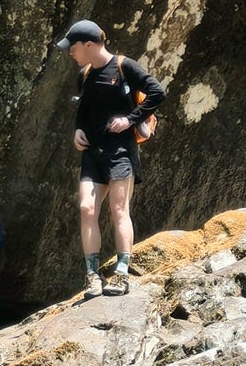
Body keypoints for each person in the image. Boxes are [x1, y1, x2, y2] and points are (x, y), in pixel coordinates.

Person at [56, 19, 166, 297]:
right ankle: (92, 275)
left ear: (90, 45)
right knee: (86, 209)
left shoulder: (124, 66)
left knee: (119, 210)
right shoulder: (84, 74)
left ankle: (121, 272)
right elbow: (83, 108)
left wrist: (130, 119)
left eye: (74, 47)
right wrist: (78, 130)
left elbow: (157, 92)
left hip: (120, 151)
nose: (70, 52)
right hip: (93, 152)